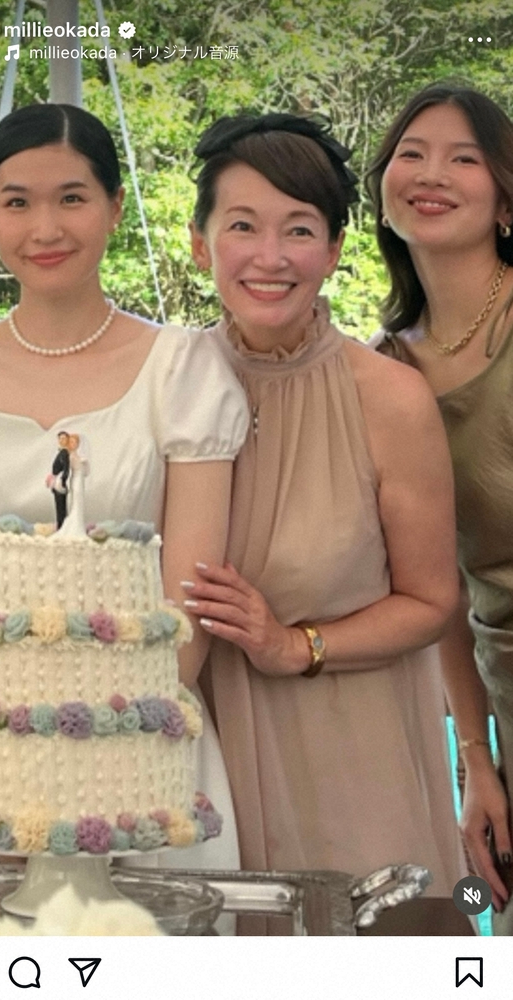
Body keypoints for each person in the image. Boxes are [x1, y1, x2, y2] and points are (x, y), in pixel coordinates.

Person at [0, 103, 248, 870]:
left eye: (71, 198)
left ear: (113, 207)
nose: (46, 228)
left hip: (142, 767)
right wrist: (3, 752)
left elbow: (188, 610)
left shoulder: (183, 369)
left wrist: (93, 762)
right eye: (17, 202)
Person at [185, 112, 467, 928]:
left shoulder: (391, 396)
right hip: (204, 770)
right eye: (243, 226)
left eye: (300, 229)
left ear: (336, 249)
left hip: (353, 757)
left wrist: (293, 645)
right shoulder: (169, 382)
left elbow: (431, 600)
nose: (270, 257)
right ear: (201, 244)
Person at [367, 83, 513, 932]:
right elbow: (437, 588)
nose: (431, 174)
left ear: (505, 198)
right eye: (411, 154)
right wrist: (476, 760)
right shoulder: (386, 370)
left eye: (464, 158)